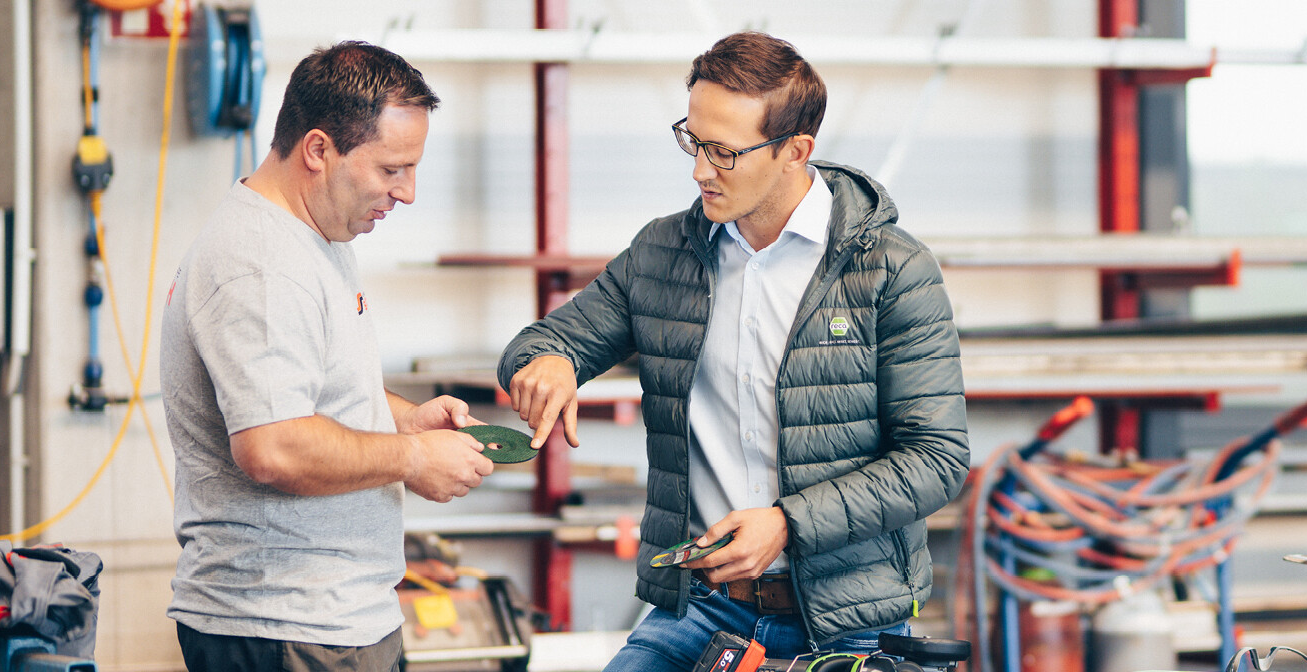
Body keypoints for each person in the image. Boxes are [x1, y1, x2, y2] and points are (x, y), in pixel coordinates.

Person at [498, 31, 969, 672]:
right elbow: (546, 342)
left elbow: (936, 459)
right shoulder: (663, 254)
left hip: (849, 620)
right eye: (692, 141)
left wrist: (786, 524)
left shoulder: (888, 270)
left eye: (723, 153)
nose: (698, 171)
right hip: (702, 606)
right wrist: (549, 361)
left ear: (795, 151)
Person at [161, 41, 494, 672]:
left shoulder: (315, 236)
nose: (408, 192)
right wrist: (415, 458)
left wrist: (404, 419)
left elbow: (314, 388)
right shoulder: (260, 265)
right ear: (319, 150)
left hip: (327, 618)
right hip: (285, 626)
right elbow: (274, 444)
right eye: (392, 168)